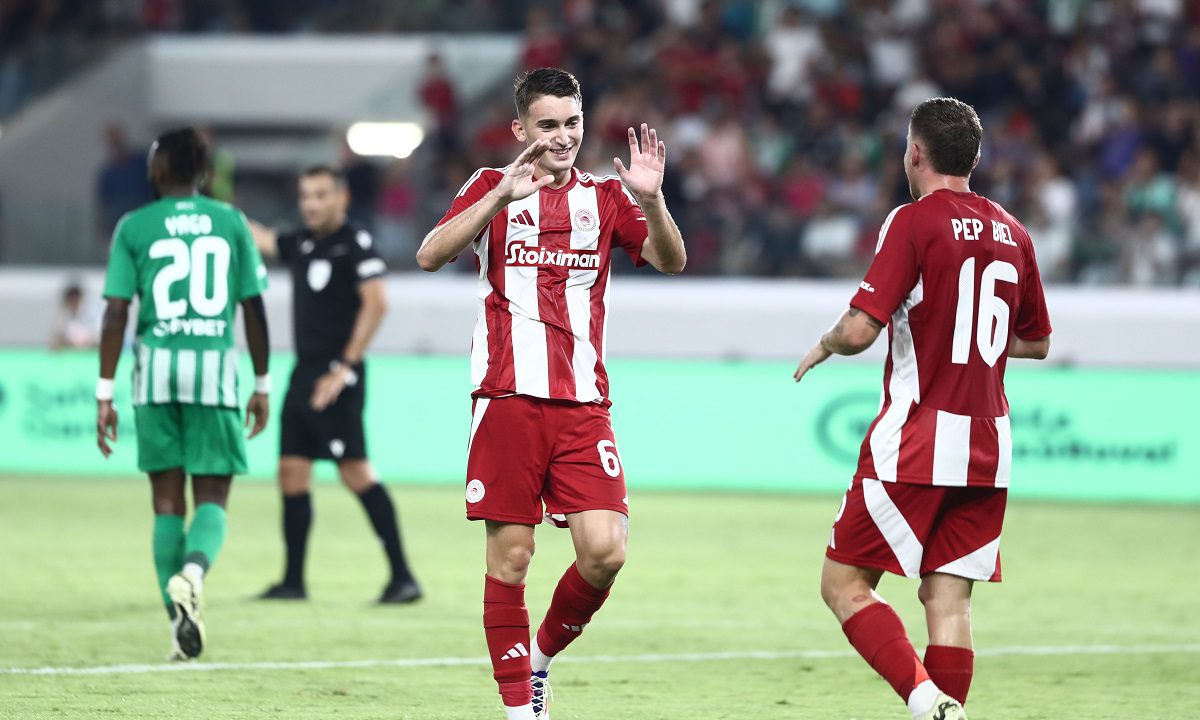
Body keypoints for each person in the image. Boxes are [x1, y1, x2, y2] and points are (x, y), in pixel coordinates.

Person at [417, 67, 686, 720]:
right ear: (520, 130)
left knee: (606, 551)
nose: (563, 137)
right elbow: (429, 254)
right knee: (512, 558)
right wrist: (498, 199)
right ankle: (520, 709)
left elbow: (671, 260)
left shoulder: (607, 197)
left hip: (584, 404)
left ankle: (538, 659)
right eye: (548, 125)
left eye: (572, 123)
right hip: (508, 396)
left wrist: (652, 200)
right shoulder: (490, 185)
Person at [793, 97, 1053, 720]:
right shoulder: (1014, 232)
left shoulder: (912, 221)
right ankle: (946, 709)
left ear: (914, 152)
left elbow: (860, 330)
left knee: (843, 583)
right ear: (974, 158)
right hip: (989, 445)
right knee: (949, 601)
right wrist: (966, 337)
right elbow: (1037, 342)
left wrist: (827, 342)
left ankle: (924, 699)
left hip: (918, 438)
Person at [96, 127, 271, 661]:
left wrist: (104, 392)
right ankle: (193, 574)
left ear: (156, 170)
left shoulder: (134, 225)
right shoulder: (231, 221)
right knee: (212, 497)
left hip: (155, 375)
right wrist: (261, 382)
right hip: (212, 373)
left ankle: (179, 628)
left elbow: (116, 312)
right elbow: (253, 307)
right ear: (203, 172)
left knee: (167, 503)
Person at [251, 165, 421, 605]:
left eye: (320, 195)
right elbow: (264, 239)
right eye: (305, 195)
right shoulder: (304, 242)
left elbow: (377, 302)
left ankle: (403, 578)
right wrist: (214, 213)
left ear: (341, 198)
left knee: (355, 472)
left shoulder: (355, 242)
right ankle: (292, 582)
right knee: (291, 471)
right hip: (303, 374)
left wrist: (345, 366)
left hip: (337, 376)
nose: (310, 204)